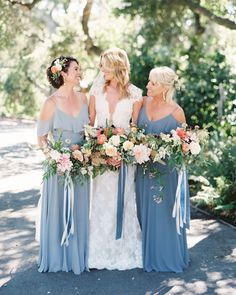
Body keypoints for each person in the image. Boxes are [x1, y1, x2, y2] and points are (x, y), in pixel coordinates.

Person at [88, 48, 143, 270]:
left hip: (124, 161)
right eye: (101, 66)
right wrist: (100, 151)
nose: (101, 70)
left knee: (124, 202)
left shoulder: (135, 94)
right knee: (101, 202)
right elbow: (90, 125)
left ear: (117, 66)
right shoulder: (95, 92)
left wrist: (122, 151)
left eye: (105, 66)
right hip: (101, 158)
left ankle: (122, 249)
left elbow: (135, 130)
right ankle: (98, 250)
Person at [37, 56, 90, 274]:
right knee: (60, 210)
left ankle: (78, 258)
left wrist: (87, 152)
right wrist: (57, 158)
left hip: (82, 164)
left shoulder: (84, 98)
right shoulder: (50, 103)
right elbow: (41, 139)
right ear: (63, 74)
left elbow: (89, 132)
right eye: (76, 69)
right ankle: (58, 258)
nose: (80, 72)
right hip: (59, 166)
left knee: (79, 210)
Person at [135, 66, 190, 273]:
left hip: (167, 173)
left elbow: (184, 144)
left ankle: (168, 257)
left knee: (165, 214)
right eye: (148, 81)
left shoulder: (177, 112)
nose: (147, 85)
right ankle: (149, 255)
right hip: (142, 170)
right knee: (145, 211)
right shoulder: (141, 103)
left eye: (153, 83)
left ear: (165, 87)